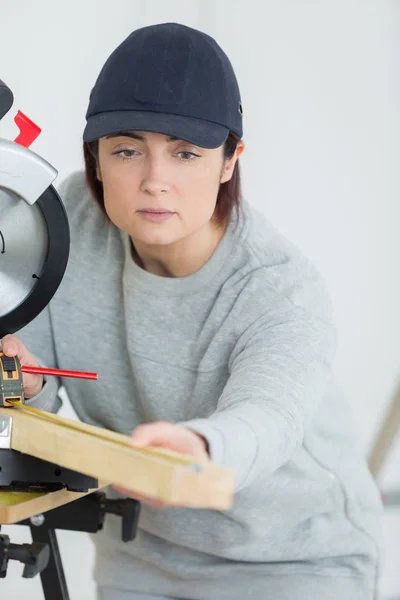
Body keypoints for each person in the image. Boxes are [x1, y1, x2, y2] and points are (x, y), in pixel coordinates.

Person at [1, 22, 383, 600]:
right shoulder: (62, 223)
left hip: (293, 563)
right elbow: (45, 388)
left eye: (186, 154)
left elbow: (268, 416)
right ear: (96, 157)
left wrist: (201, 449)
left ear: (230, 160)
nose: (156, 181)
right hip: (139, 554)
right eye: (127, 150)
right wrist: (28, 382)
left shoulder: (279, 288)